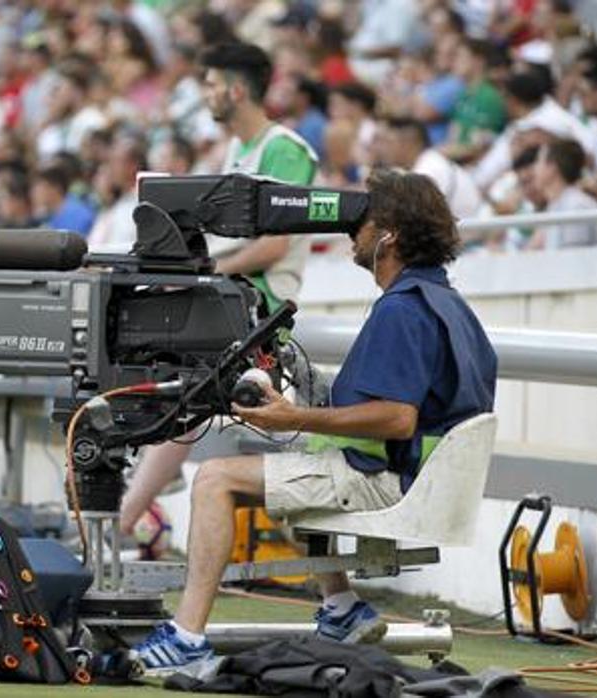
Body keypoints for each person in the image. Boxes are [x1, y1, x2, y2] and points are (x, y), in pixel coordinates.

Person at [129, 170, 497, 673]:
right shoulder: (446, 303)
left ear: (388, 235)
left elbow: (395, 417)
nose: (352, 233)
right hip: (414, 474)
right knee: (299, 462)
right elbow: (394, 404)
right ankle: (341, 608)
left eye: (361, 224)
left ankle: (187, 636)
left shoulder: (402, 311)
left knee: (215, 478)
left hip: (391, 481)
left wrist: (291, 415)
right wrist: (301, 379)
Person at [118, 41, 320, 537]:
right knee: (168, 395)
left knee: (187, 405)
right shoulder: (238, 150)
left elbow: (275, 247)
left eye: (209, 85)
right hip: (230, 297)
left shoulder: (285, 150)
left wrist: (208, 266)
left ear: (234, 89)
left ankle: (121, 521)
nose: (204, 95)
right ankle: (127, 510)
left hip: (263, 305)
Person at [527, 139, 597, 250]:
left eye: (538, 161)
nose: (534, 169)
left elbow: (573, 259)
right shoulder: (555, 206)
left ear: (552, 167)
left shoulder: (577, 207)